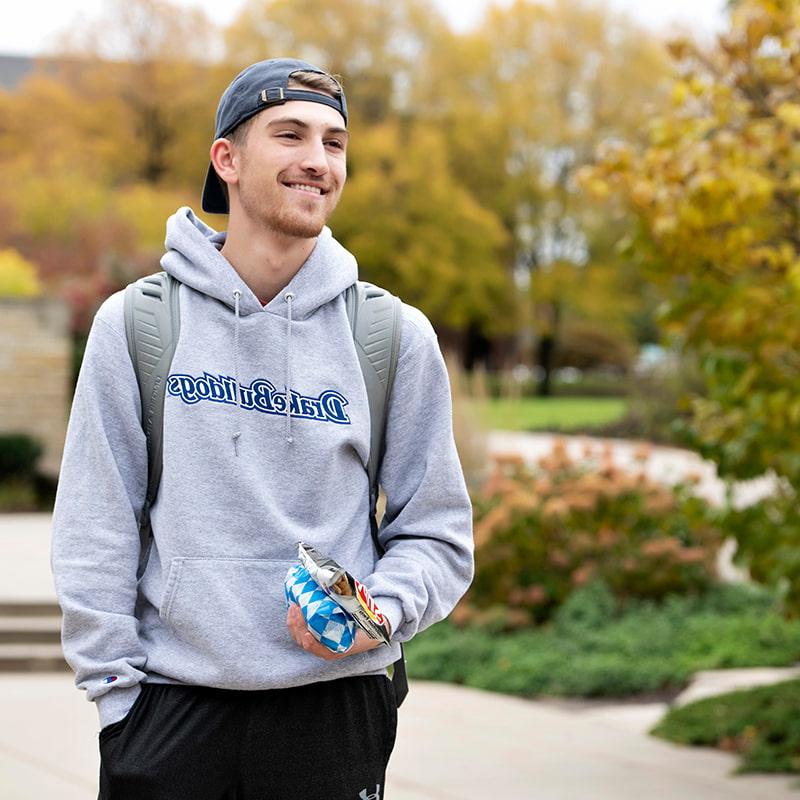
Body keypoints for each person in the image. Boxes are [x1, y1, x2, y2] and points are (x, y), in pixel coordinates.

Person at [51, 57, 473, 800]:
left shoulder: (390, 335)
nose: (318, 161)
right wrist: (117, 698)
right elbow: (95, 524)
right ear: (228, 159)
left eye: (335, 143)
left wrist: (383, 611)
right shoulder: (140, 325)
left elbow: (437, 532)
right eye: (291, 135)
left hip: (334, 710)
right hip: (168, 709)